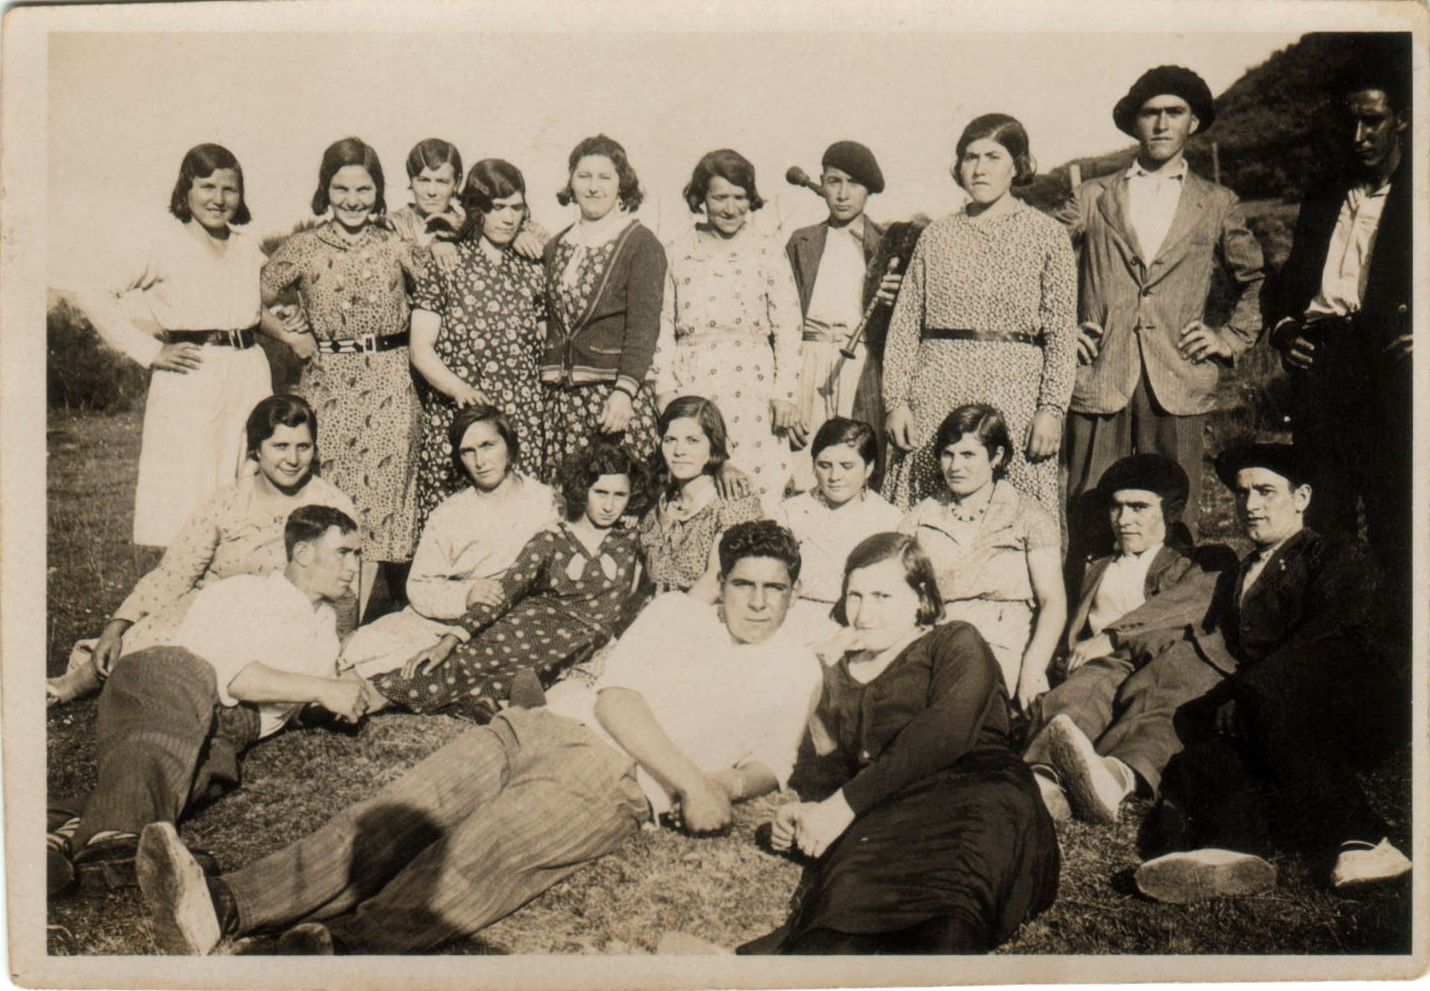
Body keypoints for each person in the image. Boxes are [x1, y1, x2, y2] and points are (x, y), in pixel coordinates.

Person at [135, 520, 822, 956]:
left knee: (477, 857)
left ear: (794, 592)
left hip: (611, 781)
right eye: (744, 584)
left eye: (775, 587)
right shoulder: (676, 613)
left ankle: (332, 950)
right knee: (396, 812)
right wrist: (696, 781)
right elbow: (618, 699)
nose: (758, 601)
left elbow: (771, 761)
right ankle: (227, 903)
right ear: (722, 583)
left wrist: (727, 785)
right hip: (538, 726)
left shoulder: (796, 664)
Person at [743, 532, 1059, 954]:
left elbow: (946, 731)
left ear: (919, 598)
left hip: (977, 794)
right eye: (854, 595)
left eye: (882, 596)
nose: (863, 613)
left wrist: (842, 806)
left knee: (946, 925)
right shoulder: (836, 672)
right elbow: (830, 767)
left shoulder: (955, 642)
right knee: (834, 927)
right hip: (886, 810)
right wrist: (806, 812)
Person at [1127, 443, 1410, 901]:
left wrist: (1249, 691)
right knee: (1199, 744)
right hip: (1273, 707)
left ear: (1301, 498)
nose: (1250, 506)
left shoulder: (1333, 552)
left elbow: (1332, 634)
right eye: (1242, 494)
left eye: (1265, 492)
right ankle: (1230, 847)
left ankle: (1366, 840)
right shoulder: (1242, 571)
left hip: (1359, 697)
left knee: (1258, 698)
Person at [47, 506, 373, 898]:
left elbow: (295, 701)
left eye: (357, 554)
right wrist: (322, 688)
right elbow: (237, 678)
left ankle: (67, 838)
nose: (353, 567)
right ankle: (120, 843)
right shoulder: (243, 592)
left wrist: (335, 698)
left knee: (200, 775)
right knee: (159, 746)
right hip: (172, 679)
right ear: (303, 553)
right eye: (343, 552)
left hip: (236, 726)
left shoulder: (325, 627)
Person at [1059, 66, 1265, 556]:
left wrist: (1230, 338)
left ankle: (1170, 625)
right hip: (1100, 376)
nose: (1161, 123)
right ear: (1134, 122)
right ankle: (1083, 624)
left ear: (1193, 122)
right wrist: (1064, 332)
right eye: (1150, 113)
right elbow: (1039, 270)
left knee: (1176, 514)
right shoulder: (1093, 195)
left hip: (1177, 378)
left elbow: (1255, 280)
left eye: (1175, 112)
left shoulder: (1215, 202)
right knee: (1091, 509)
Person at [74, 143, 307, 565]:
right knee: (187, 487)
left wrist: (285, 326)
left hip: (249, 372)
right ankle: (172, 597)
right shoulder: (163, 243)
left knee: (247, 478)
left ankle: (236, 590)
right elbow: (92, 292)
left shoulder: (244, 245)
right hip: (191, 374)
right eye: (207, 186)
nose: (219, 199)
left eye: (230, 189)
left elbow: (252, 310)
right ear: (186, 189)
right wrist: (149, 350)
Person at [47, 396, 359, 707]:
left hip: (287, 619)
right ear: (256, 449)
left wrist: (341, 650)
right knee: (148, 651)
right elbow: (174, 573)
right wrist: (117, 627)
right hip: (211, 612)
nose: (292, 459)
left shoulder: (332, 505)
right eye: (280, 446)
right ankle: (74, 684)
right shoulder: (227, 502)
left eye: (303, 447)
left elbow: (344, 587)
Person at [1265, 56, 1412, 643]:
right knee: (1322, 510)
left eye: (1374, 121)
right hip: (1321, 364)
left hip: (1390, 367)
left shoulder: (1418, 194)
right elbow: (1287, 282)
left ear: (1401, 119)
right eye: (1352, 122)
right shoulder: (1325, 193)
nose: (1361, 137)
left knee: (1395, 508)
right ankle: (1328, 645)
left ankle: (1400, 648)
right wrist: (1283, 331)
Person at [881, 114, 1077, 518]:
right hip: (936, 389)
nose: (980, 167)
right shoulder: (936, 235)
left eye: (993, 155)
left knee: (1014, 507)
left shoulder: (1047, 235)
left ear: (1017, 165)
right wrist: (896, 402)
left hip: (1015, 393)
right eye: (970, 157)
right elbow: (904, 326)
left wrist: (1052, 409)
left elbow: (1060, 334)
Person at [1022, 454, 1235, 823]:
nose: (1124, 520)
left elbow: (1189, 604)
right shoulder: (1097, 564)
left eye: (1139, 508)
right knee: (1078, 696)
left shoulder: (1191, 564)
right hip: (1100, 664)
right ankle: (1045, 779)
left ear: (1168, 513)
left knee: (1157, 703)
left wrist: (1113, 636)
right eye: (1117, 507)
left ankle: (1115, 777)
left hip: (1161, 660)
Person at [368, 442, 649, 720]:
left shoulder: (632, 541)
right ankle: (367, 697)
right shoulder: (552, 537)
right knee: (466, 662)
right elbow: (506, 592)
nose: (610, 505)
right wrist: (449, 641)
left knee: (525, 676)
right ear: (582, 490)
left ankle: (495, 707)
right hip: (531, 624)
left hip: (584, 639)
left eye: (619, 495)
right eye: (600, 492)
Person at [261, 137, 424, 613]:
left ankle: (353, 622)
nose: (353, 201)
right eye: (341, 189)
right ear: (324, 190)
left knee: (386, 503)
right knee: (332, 498)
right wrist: (289, 335)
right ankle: (317, 612)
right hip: (327, 384)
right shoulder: (304, 247)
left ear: (379, 191)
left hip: (391, 383)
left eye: (364, 189)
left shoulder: (397, 243)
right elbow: (251, 298)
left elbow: (442, 289)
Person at [335, 404, 558, 681]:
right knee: (368, 649)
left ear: (509, 445)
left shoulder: (544, 500)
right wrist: (467, 595)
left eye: (488, 445)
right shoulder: (450, 513)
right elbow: (419, 586)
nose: (480, 461)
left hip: (517, 615)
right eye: (468, 451)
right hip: (448, 618)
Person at [654, 148, 805, 508]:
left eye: (740, 198)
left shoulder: (767, 250)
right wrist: (665, 390)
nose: (730, 208)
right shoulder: (676, 251)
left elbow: (788, 322)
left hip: (754, 384)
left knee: (760, 487)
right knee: (701, 481)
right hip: (695, 379)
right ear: (701, 198)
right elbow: (661, 325)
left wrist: (785, 391)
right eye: (720, 197)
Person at [408, 159, 547, 526]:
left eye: (515, 208)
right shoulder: (447, 261)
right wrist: (461, 392)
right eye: (496, 208)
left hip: (520, 418)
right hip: (460, 417)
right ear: (476, 209)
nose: (507, 218)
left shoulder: (531, 268)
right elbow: (421, 350)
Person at [898, 405, 1065, 710]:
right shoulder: (921, 516)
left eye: (968, 455)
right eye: (948, 454)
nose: (955, 466)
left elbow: (1053, 603)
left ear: (997, 456)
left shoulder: (1028, 516)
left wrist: (1032, 670)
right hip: (934, 644)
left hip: (1003, 646)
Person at [540, 134, 665, 477]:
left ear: (621, 184)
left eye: (605, 177)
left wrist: (625, 392)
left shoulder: (640, 243)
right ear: (571, 181)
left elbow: (643, 327)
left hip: (612, 401)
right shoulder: (555, 246)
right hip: (559, 404)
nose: (593, 188)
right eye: (584, 176)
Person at [784, 141, 896, 491]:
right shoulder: (801, 241)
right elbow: (785, 318)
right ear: (821, 183)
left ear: (869, 191)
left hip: (861, 362)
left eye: (854, 184)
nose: (843, 194)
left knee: (855, 456)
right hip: (808, 358)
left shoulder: (886, 244)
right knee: (803, 458)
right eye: (834, 182)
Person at [772, 417, 902, 643]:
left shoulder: (889, 519)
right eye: (824, 465)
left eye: (847, 466)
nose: (834, 477)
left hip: (861, 627)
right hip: (795, 623)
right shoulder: (789, 513)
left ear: (869, 467)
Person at [638, 396, 763, 599]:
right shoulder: (657, 508)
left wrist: (660, 625)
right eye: (670, 440)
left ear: (712, 445)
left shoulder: (731, 504)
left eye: (692, 441)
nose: (679, 451)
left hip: (699, 618)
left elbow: (715, 579)